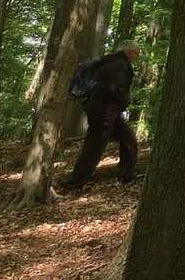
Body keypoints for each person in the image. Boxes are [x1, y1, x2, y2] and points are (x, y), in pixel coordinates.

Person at [59, 40, 141, 190]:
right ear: (129, 51)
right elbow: (115, 88)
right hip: (104, 113)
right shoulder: (119, 64)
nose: (137, 56)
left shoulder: (110, 61)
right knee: (93, 149)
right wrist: (125, 102)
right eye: (136, 52)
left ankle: (126, 175)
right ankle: (74, 182)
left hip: (109, 113)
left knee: (129, 140)